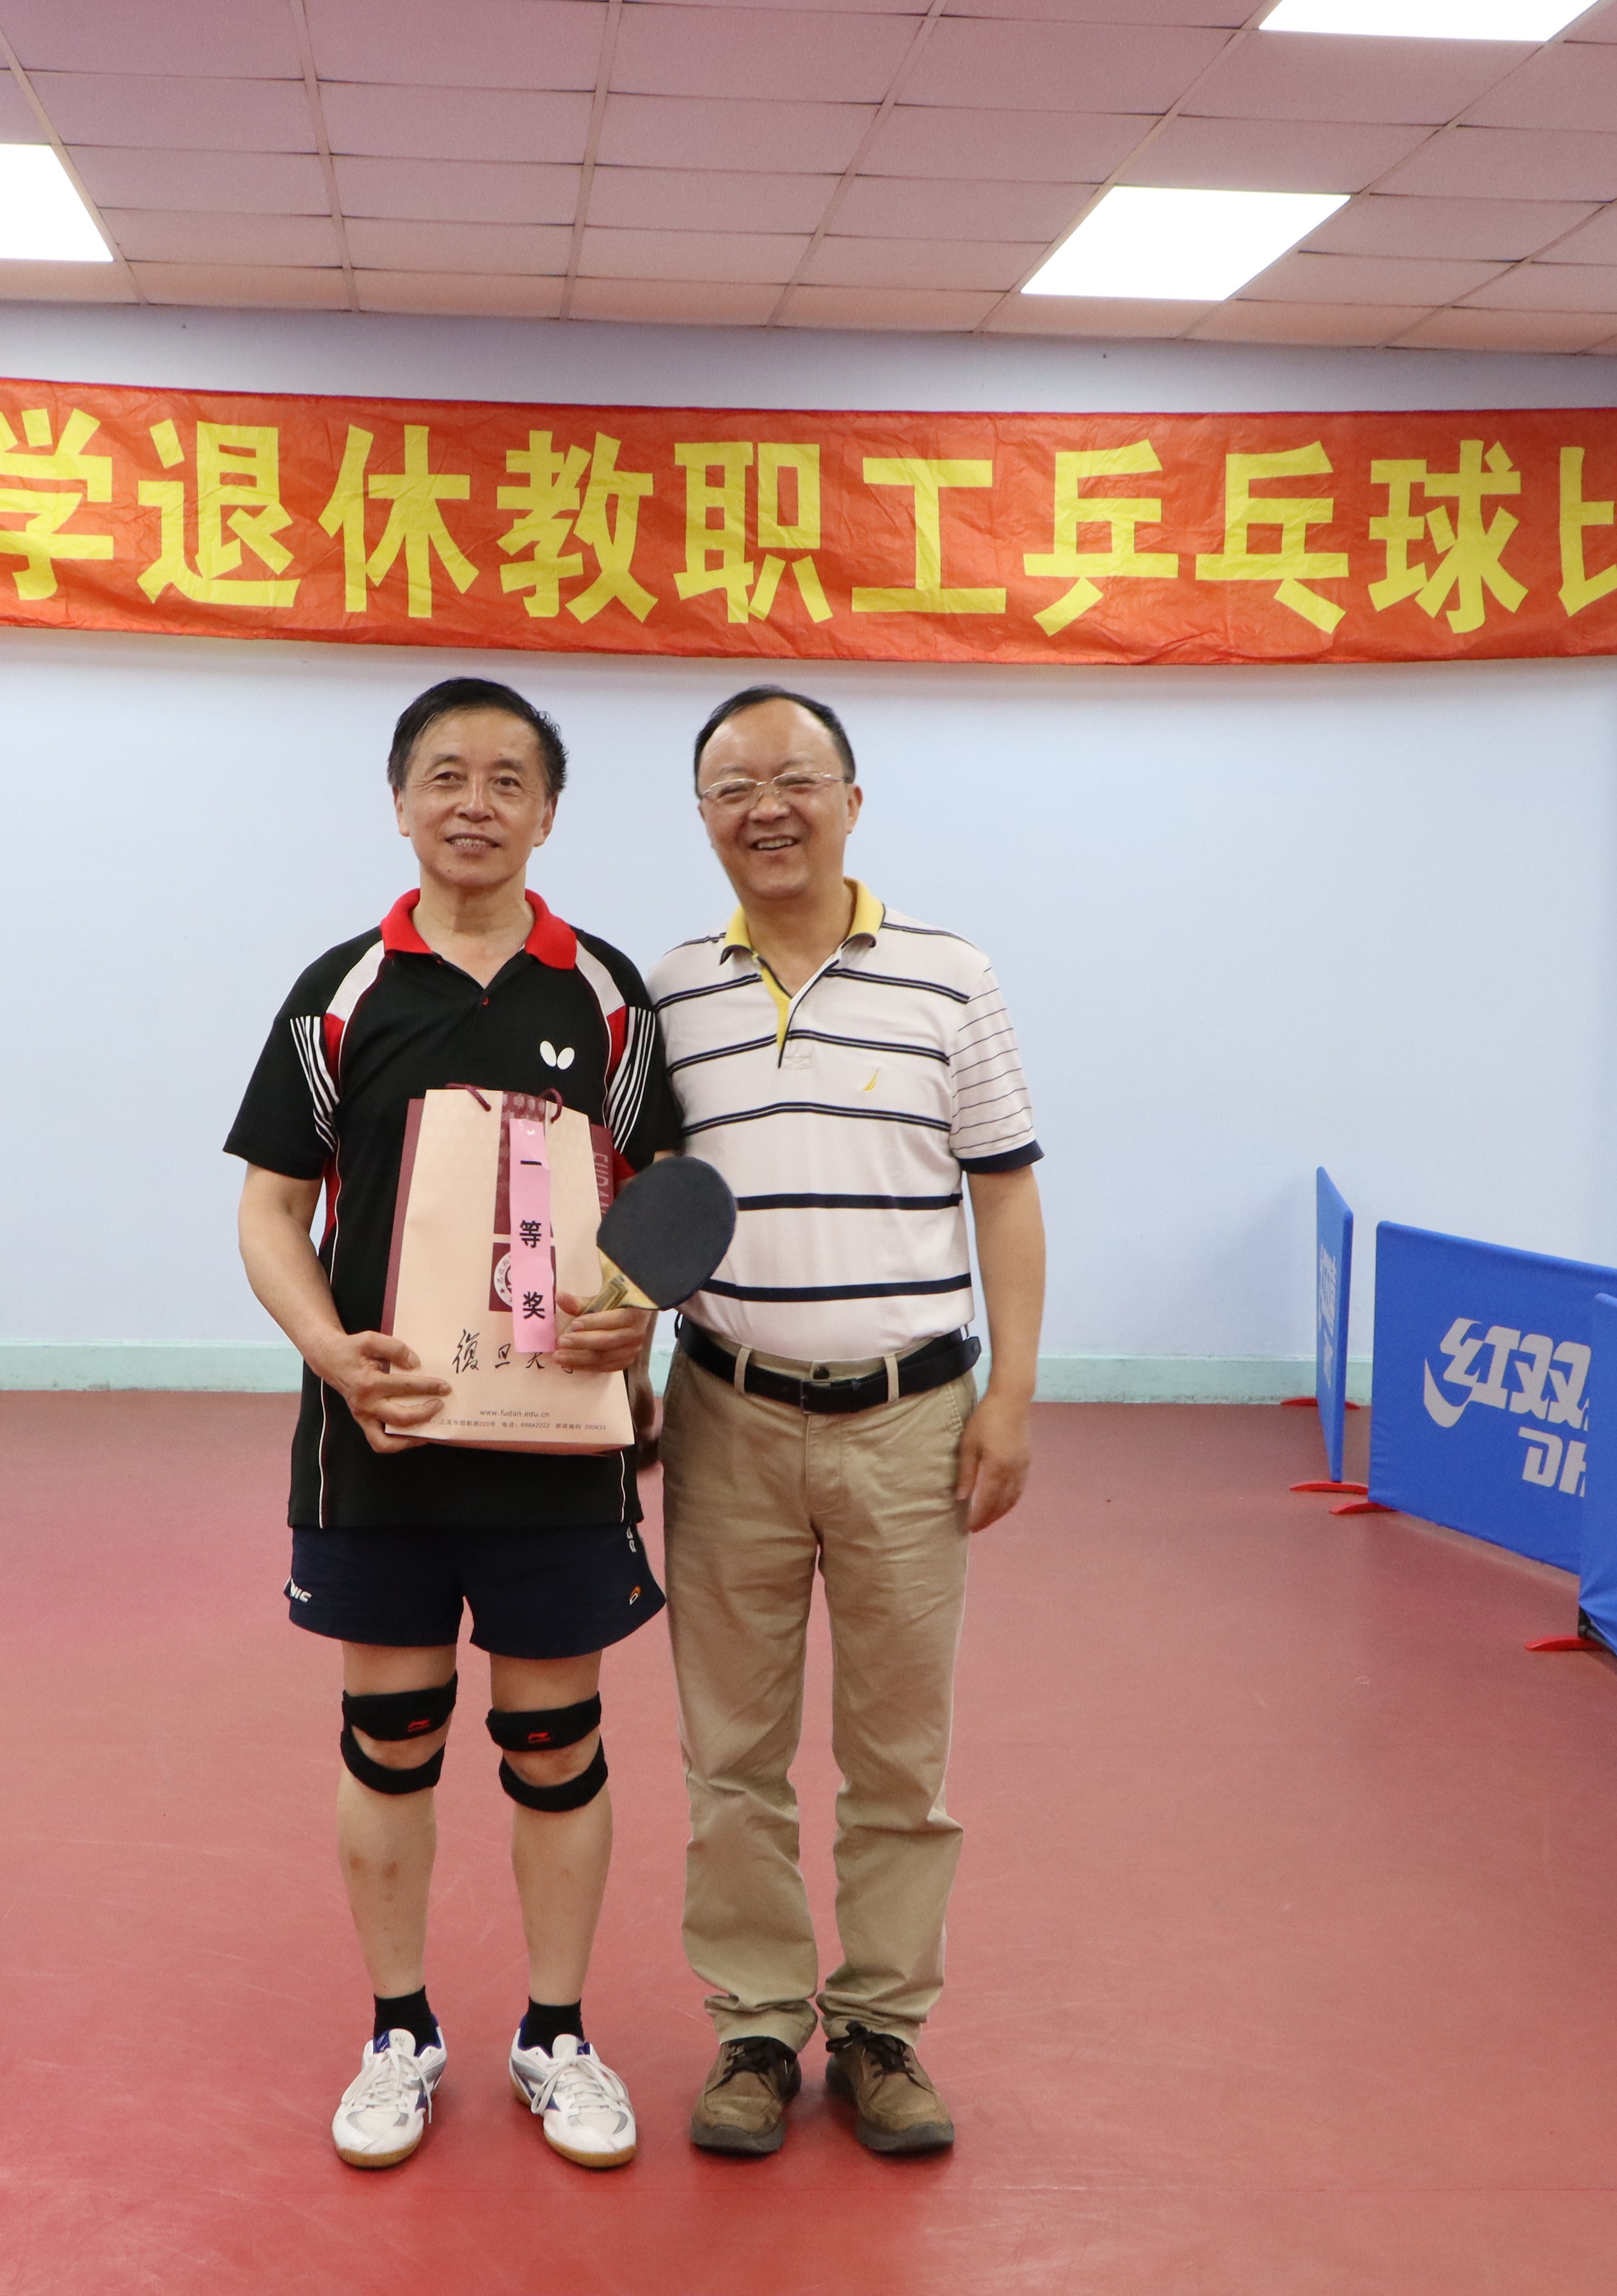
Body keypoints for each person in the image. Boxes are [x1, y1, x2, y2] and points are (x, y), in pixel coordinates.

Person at [226, 676, 683, 2174]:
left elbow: (661, 1205)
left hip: (558, 1448)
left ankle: (557, 2034)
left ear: (548, 813)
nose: (473, 802)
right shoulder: (341, 992)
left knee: (555, 1742)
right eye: (445, 774)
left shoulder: (607, 994)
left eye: (505, 779)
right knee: (393, 1735)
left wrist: (637, 1312)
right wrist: (331, 1355)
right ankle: (398, 2032)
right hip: (385, 1439)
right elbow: (271, 1211)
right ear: (400, 800)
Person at [646, 685, 1048, 2159]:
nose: (768, 807)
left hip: (910, 1420)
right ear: (704, 816)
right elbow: (638, 1216)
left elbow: (1005, 1188)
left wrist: (1011, 1393)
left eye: (796, 778)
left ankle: (881, 2025)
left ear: (852, 801)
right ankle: (756, 2023)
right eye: (733, 786)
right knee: (730, 1752)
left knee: (897, 1753)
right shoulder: (670, 993)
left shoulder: (950, 976)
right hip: (725, 1413)